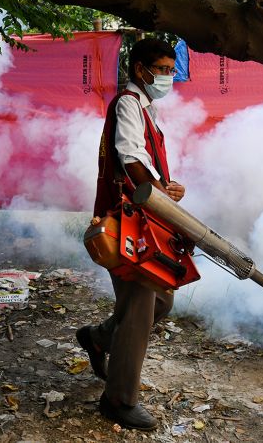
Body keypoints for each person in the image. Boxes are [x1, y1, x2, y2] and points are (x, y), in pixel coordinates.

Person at [77, 38, 185, 431]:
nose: (168, 76)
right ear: (140, 68)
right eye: (162, 69)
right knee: (141, 303)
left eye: (171, 70)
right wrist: (158, 191)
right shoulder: (128, 103)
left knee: (161, 301)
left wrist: (167, 189)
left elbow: (147, 166)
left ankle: (101, 338)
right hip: (125, 223)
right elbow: (132, 157)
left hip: (145, 220)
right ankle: (119, 399)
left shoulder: (146, 109)